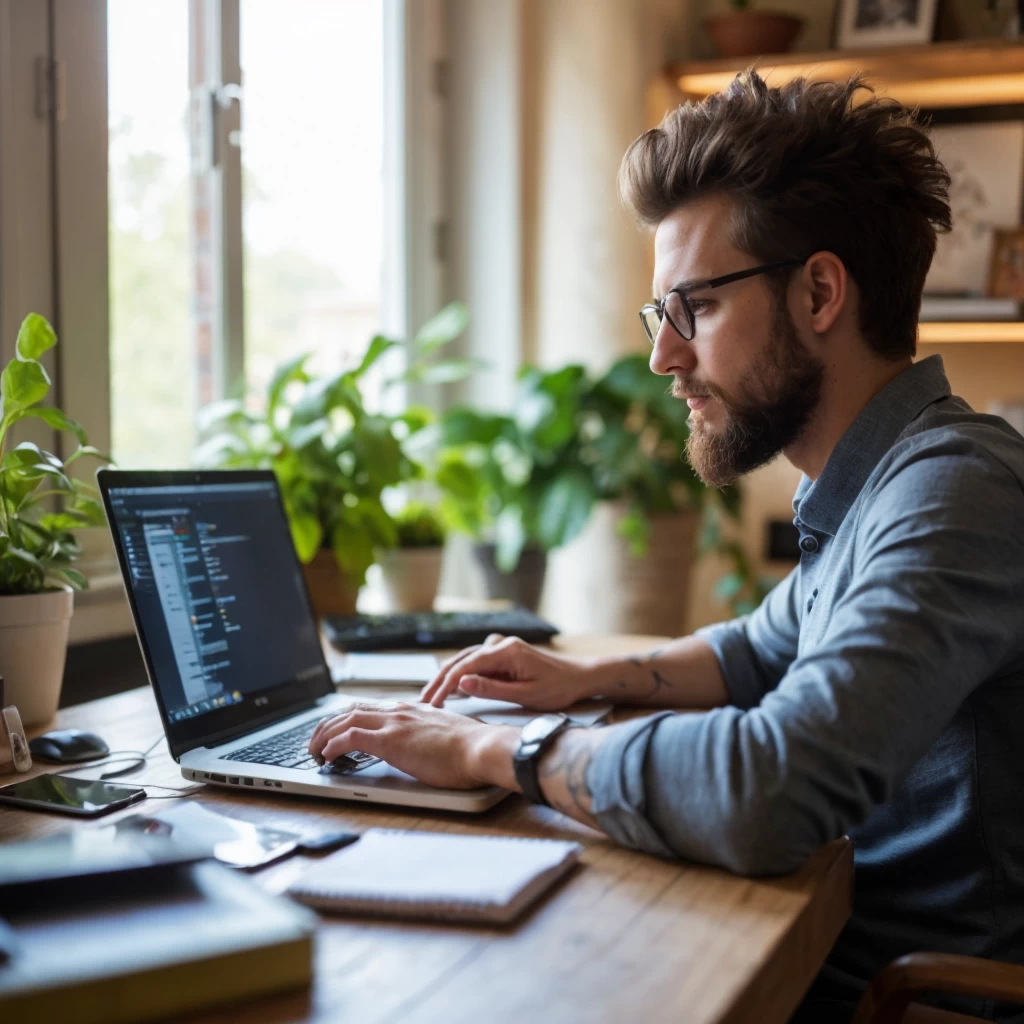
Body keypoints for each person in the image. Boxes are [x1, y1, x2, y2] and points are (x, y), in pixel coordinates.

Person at [309, 71, 1024, 1022]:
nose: (663, 357)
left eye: (696, 307)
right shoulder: (871, 483)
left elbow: (771, 787)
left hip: (903, 1000)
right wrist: (586, 681)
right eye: (663, 313)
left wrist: (503, 753)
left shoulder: (953, 492)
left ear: (819, 291)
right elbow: (758, 648)